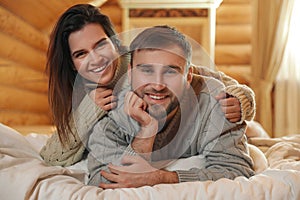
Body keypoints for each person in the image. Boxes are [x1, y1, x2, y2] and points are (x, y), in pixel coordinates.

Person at [40, 4, 256, 167]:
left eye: (101, 45)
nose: (96, 59)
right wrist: (90, 108)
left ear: (114, 43)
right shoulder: (81, 93)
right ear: (73, 65)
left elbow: (214, 80)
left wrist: (240, 99)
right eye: (81, 54)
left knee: (252, 133)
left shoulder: (144, 62)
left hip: (188, 136)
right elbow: (51, 158)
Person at [87, 25, 255, 188]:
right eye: (147, 70)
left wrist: (163, 178)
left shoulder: (216, 101)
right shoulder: (110, 109)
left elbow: (237, 170)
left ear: (188, 77)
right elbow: (101, 182)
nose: (158, 85)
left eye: (170, 71)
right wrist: (147, 130)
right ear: (130, 73)